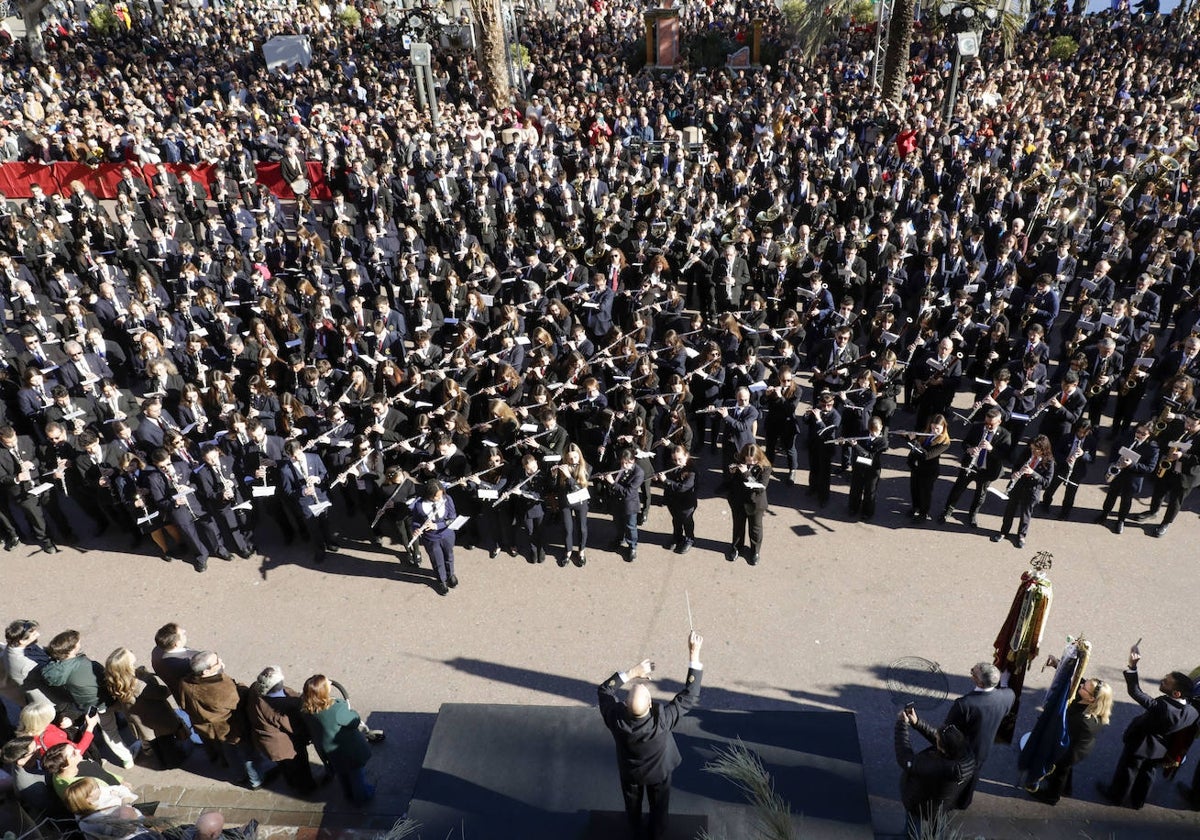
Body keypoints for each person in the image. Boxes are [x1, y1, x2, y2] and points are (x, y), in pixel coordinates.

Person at [598, 631, 703, 840]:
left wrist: (632, 673)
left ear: (626, 705)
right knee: (660, 806)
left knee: (632, 806)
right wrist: (694, 654)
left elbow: (604, 691)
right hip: (659, 772)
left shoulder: (616, 719)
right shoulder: (662, 720)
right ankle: (657, 832)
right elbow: (689, 696)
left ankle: (635, 831)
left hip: (630, 773)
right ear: (649, 704)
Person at [1097, 645, 1198, 810]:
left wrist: (1133, 666)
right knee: (1148, 773)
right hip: (1161, 748)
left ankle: (1116, 796)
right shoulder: (1192, 711)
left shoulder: (1163, 706)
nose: (1162, 681)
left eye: (1166, 682)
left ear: (1176, 693)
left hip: (1140, 743)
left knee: (1127, 770)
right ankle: (1138, 801)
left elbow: (1136, 692)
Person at [177, 651, 264, 790]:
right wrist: (242, 686)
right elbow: (240, 699)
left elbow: (183, 703)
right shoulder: (221, 689)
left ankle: (239, 776)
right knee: (247, 754)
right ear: (205, 672)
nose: (221, 662)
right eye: (217, 662)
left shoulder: (185, 683)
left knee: (229, 752)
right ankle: (256, 781)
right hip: (231, 728)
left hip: (210, 728)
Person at [1028, 676, 1113, 805]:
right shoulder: (1093, 705)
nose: (1081, 686)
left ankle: (1052, 797)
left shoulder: (1082, 721)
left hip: (1071, 750)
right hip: (1080, 746)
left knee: (1060, 770)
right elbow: (1080, 679)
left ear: (1091, 698)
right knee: (1066, 769)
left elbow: (1060, 728)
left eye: (1084, 687)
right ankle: (1066, 788)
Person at [942, 662, 1015, 808]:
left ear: (979, 682)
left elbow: (948, 729)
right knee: (973, 775)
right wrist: (1005, 682)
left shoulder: (964, 704)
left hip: (962, 749)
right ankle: (964, 802)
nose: (971, 674)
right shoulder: (1007, 696)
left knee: (955, 776)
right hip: (983, 748)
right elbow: (1009, 696)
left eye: (972, 672)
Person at [102, 647, 189, 769]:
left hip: (140, 724)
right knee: (167, 744)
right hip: (156, 721)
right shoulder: (138, 684)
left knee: (156, 746)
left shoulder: (117, 682)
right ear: (126, 665)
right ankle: (173, 762)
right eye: (130, 654)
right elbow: (161, 693)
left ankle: (162, 761)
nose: (132, 652)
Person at [299, 674, 378, 804]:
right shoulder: (336, 709)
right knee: (356, 775)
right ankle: (362, 797)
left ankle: (348, 794)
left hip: (327, 751)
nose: (330, 683)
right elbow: (354, 721)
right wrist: (351, 711)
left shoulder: (305, 708)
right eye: (327, 684)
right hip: (346, 750)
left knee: (341, 774)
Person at [894, 707, 975, 833]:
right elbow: (942, 739)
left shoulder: (936, 767)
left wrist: (901, 726)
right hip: (942, 803)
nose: (935, 740)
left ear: (942, 749)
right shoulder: (967, 756)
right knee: (937, 826)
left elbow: (905, 759)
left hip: (920, 805)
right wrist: (917, 723)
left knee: (913, 828)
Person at [246, 666, 316, 795]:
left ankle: (290, 782)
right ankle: (306, 789)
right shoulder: (283, 709)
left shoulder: (255, 689)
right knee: (300, 768)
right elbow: (296, 728)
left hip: (269, 744)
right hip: (286, 747)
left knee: (284, 766)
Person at [938, 409, 1012, 527]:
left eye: (991, 424)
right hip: (970, 465)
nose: (987, 426)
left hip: (987, 470)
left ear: (999, 422)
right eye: (986, 423)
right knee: (957, 489)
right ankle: (947, 511)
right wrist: (969, 449)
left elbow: (1004, 455)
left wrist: (991, 449)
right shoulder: (977, 427)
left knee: (980, 495)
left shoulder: (1005, 435)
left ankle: (972, 515)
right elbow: (965, 443)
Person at [991, 434, 1054, 549]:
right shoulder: (1027, 453)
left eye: (1036, 450)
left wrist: (1033, 473)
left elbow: (1046, 482)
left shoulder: (1049, 462)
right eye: (1032, 449)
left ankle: (1021, 536)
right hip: (1018, 486)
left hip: (1032, 490)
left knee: (1026, 514)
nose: (1033, 451)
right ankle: (1004, 532)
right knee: (1010, 510)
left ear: (1043, 449)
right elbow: (1016, 465)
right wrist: (1015, 472)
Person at [1095, 422, 1159, 534]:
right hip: (1119, 473)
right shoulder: (1128, 436)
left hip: (1133, 478)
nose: (1139, 435)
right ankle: (1104, 514)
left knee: (1126, 501)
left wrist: (1132, 465)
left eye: (1143, 434)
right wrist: (1113, 462)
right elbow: (1115, 448)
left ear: (1150, 434)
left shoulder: (1152, 447)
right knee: (1111, 495)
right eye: (1138, 431)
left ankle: (1120, 521)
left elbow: (1150, 468)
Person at [410, 479, 460, 595]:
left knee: (449, 556)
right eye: (436, 497)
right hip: (431, 538)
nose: (439, 499)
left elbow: (452, 517)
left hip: (447, 534)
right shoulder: (419, 505)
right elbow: (416, 521)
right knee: (437, 560)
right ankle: (441, 580)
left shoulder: (447, 500)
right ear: (429, 495)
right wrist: (416, 529)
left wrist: (437, 525)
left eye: (440, 495)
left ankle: (450, 574)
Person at [726, 443, 772, 564]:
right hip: (738, 500)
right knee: (738, 527)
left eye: (754, 460)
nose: (751, 462)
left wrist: (746, 473)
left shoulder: (765, 467)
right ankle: (736, 547)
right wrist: (732, 472)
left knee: (755, 529)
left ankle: (755, 551)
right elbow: (732, 482)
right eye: (748, 460)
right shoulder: (739, 461)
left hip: (755, 502)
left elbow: (761, 488)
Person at [902, 414, 951, 522]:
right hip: (916, 467)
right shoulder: (926, 433)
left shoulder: (945, 443)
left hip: (929, 471)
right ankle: (915, 507)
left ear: (944, 427)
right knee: (914, 489)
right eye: (932, 427)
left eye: (937, 428)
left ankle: (923, 514)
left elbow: (927, 455)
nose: (934, 431)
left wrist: (914, 440)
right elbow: (914, 444)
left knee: (925, 493)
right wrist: (905, 435)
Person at [603, 449, 644, 562]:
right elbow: (612, 478)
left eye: (628, 463)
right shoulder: (617, 465)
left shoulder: (638, 472)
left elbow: (628, 492)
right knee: (617, 522)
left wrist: (612, 483)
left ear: (633, 460)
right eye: (623, 462)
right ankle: (620, 539)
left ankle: (632, 547)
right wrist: (606, 479)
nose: (624, 465)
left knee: (630, 526)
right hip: (616, 502)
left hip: (629, 504)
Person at [655, 445, 696, 554]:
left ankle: (689, 539)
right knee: (676, 520)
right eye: (674, 459)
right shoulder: (671, 464)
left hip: (686, 502)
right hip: (672, 500)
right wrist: (658, 479)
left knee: (687, 521)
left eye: (680, 459)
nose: (677, 462)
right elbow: (666, 476)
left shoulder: (692, 470)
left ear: (686, 456)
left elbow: (683, 488)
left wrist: (666, 481)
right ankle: (677, 536)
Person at [846, 415, 887, 521]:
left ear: (881, 427)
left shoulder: (883, 442)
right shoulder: (863, 434)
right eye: (872, 432)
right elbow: (853, 443)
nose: (874, 434)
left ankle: (867, 512)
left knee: (869, 492)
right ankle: (853, 508)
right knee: (855, 488)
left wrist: (856, 446)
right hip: (859, 466)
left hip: (872, 469)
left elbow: (871, 456)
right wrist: (846, 442)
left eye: (877, 431)